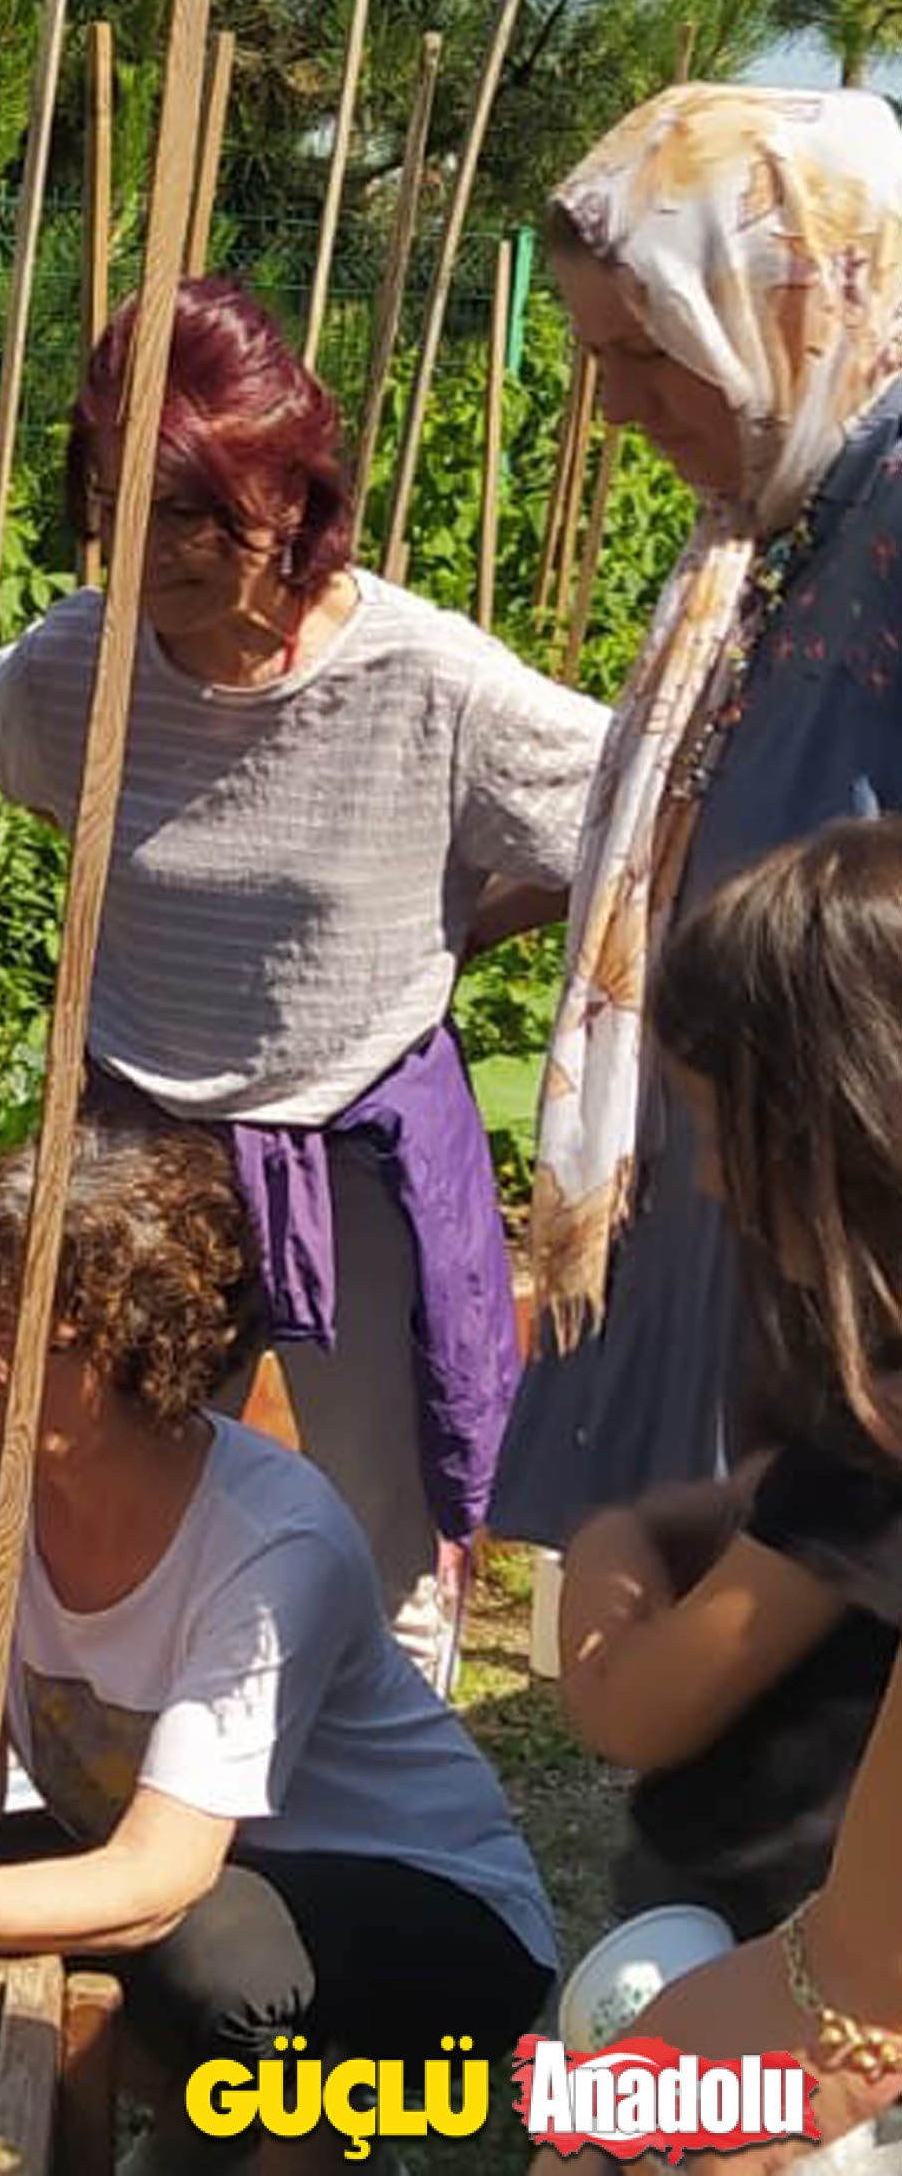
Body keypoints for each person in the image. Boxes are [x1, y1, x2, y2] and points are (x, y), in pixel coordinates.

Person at [0, 278, 608, 1690]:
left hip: (349, 1148)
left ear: (296, 489)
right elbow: (5, 763)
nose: (162, 554)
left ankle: (380, 1808)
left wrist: (442, 927)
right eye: (126, 508)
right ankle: (118, 1758)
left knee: (373, 1516)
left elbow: (626, 812)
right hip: (140, 1141)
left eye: (206, 512)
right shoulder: (72, 666)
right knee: (102, 1466)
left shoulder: (422, 679)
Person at [0, 1125, 558, 2173]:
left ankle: (323, 2139)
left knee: (214, 1969)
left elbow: (159, 1880)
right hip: (212, 1869)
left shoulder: (272, 1542)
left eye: (23, 1342)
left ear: (147, 1347)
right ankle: (233, 2126)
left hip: (432, 1916)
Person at [491, 84, 902, 1546]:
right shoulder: (774, 515)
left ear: (770, 311)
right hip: (748, 1160)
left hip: (852, 1189)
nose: (612, 405)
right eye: (594, 355)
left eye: (644, 352)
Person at [531, 820, 902, 2173]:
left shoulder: (876, 1442)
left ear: (835, 1120)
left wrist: (607, 1544)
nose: (702, 1175)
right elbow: (754, 1494)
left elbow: (632, 1702)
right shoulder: (856, 1425)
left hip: (748, 1917)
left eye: (714, 1124)